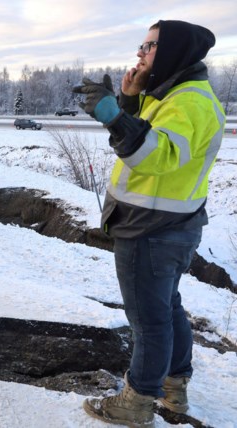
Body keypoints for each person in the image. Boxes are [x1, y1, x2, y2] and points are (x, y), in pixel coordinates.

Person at [73, 20, 224, 427]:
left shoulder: (189, 102)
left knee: (148, 320)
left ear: (175, 51)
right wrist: (127, 99)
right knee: (167, 309)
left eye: (151, 45)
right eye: (142, 44)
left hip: (151, 231)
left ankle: (137, 402)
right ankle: (174, 388)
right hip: (169, 224)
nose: (140, 52)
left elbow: (153, 154)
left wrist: (111, 116)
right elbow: (151, 133)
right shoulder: (175, 93)